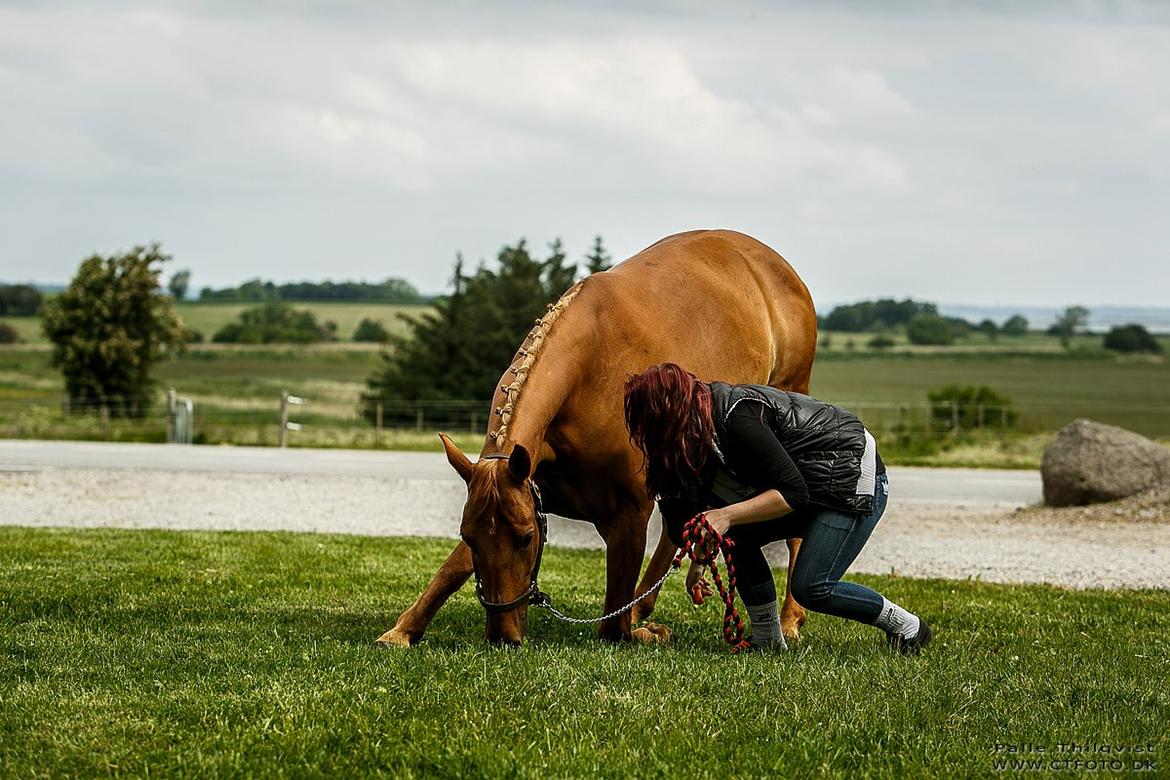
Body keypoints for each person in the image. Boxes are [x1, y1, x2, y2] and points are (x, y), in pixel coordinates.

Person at [622, 362, 931, 654]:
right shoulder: (683, 444)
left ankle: (909, 628)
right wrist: (699, 561)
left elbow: (792, 493)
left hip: (849, 476)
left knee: (812, 587)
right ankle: (767, 639)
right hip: (809, 486)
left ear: (668, 414)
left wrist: (726, 515)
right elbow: (685, 520)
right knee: (736, 538)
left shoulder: (737, 414)